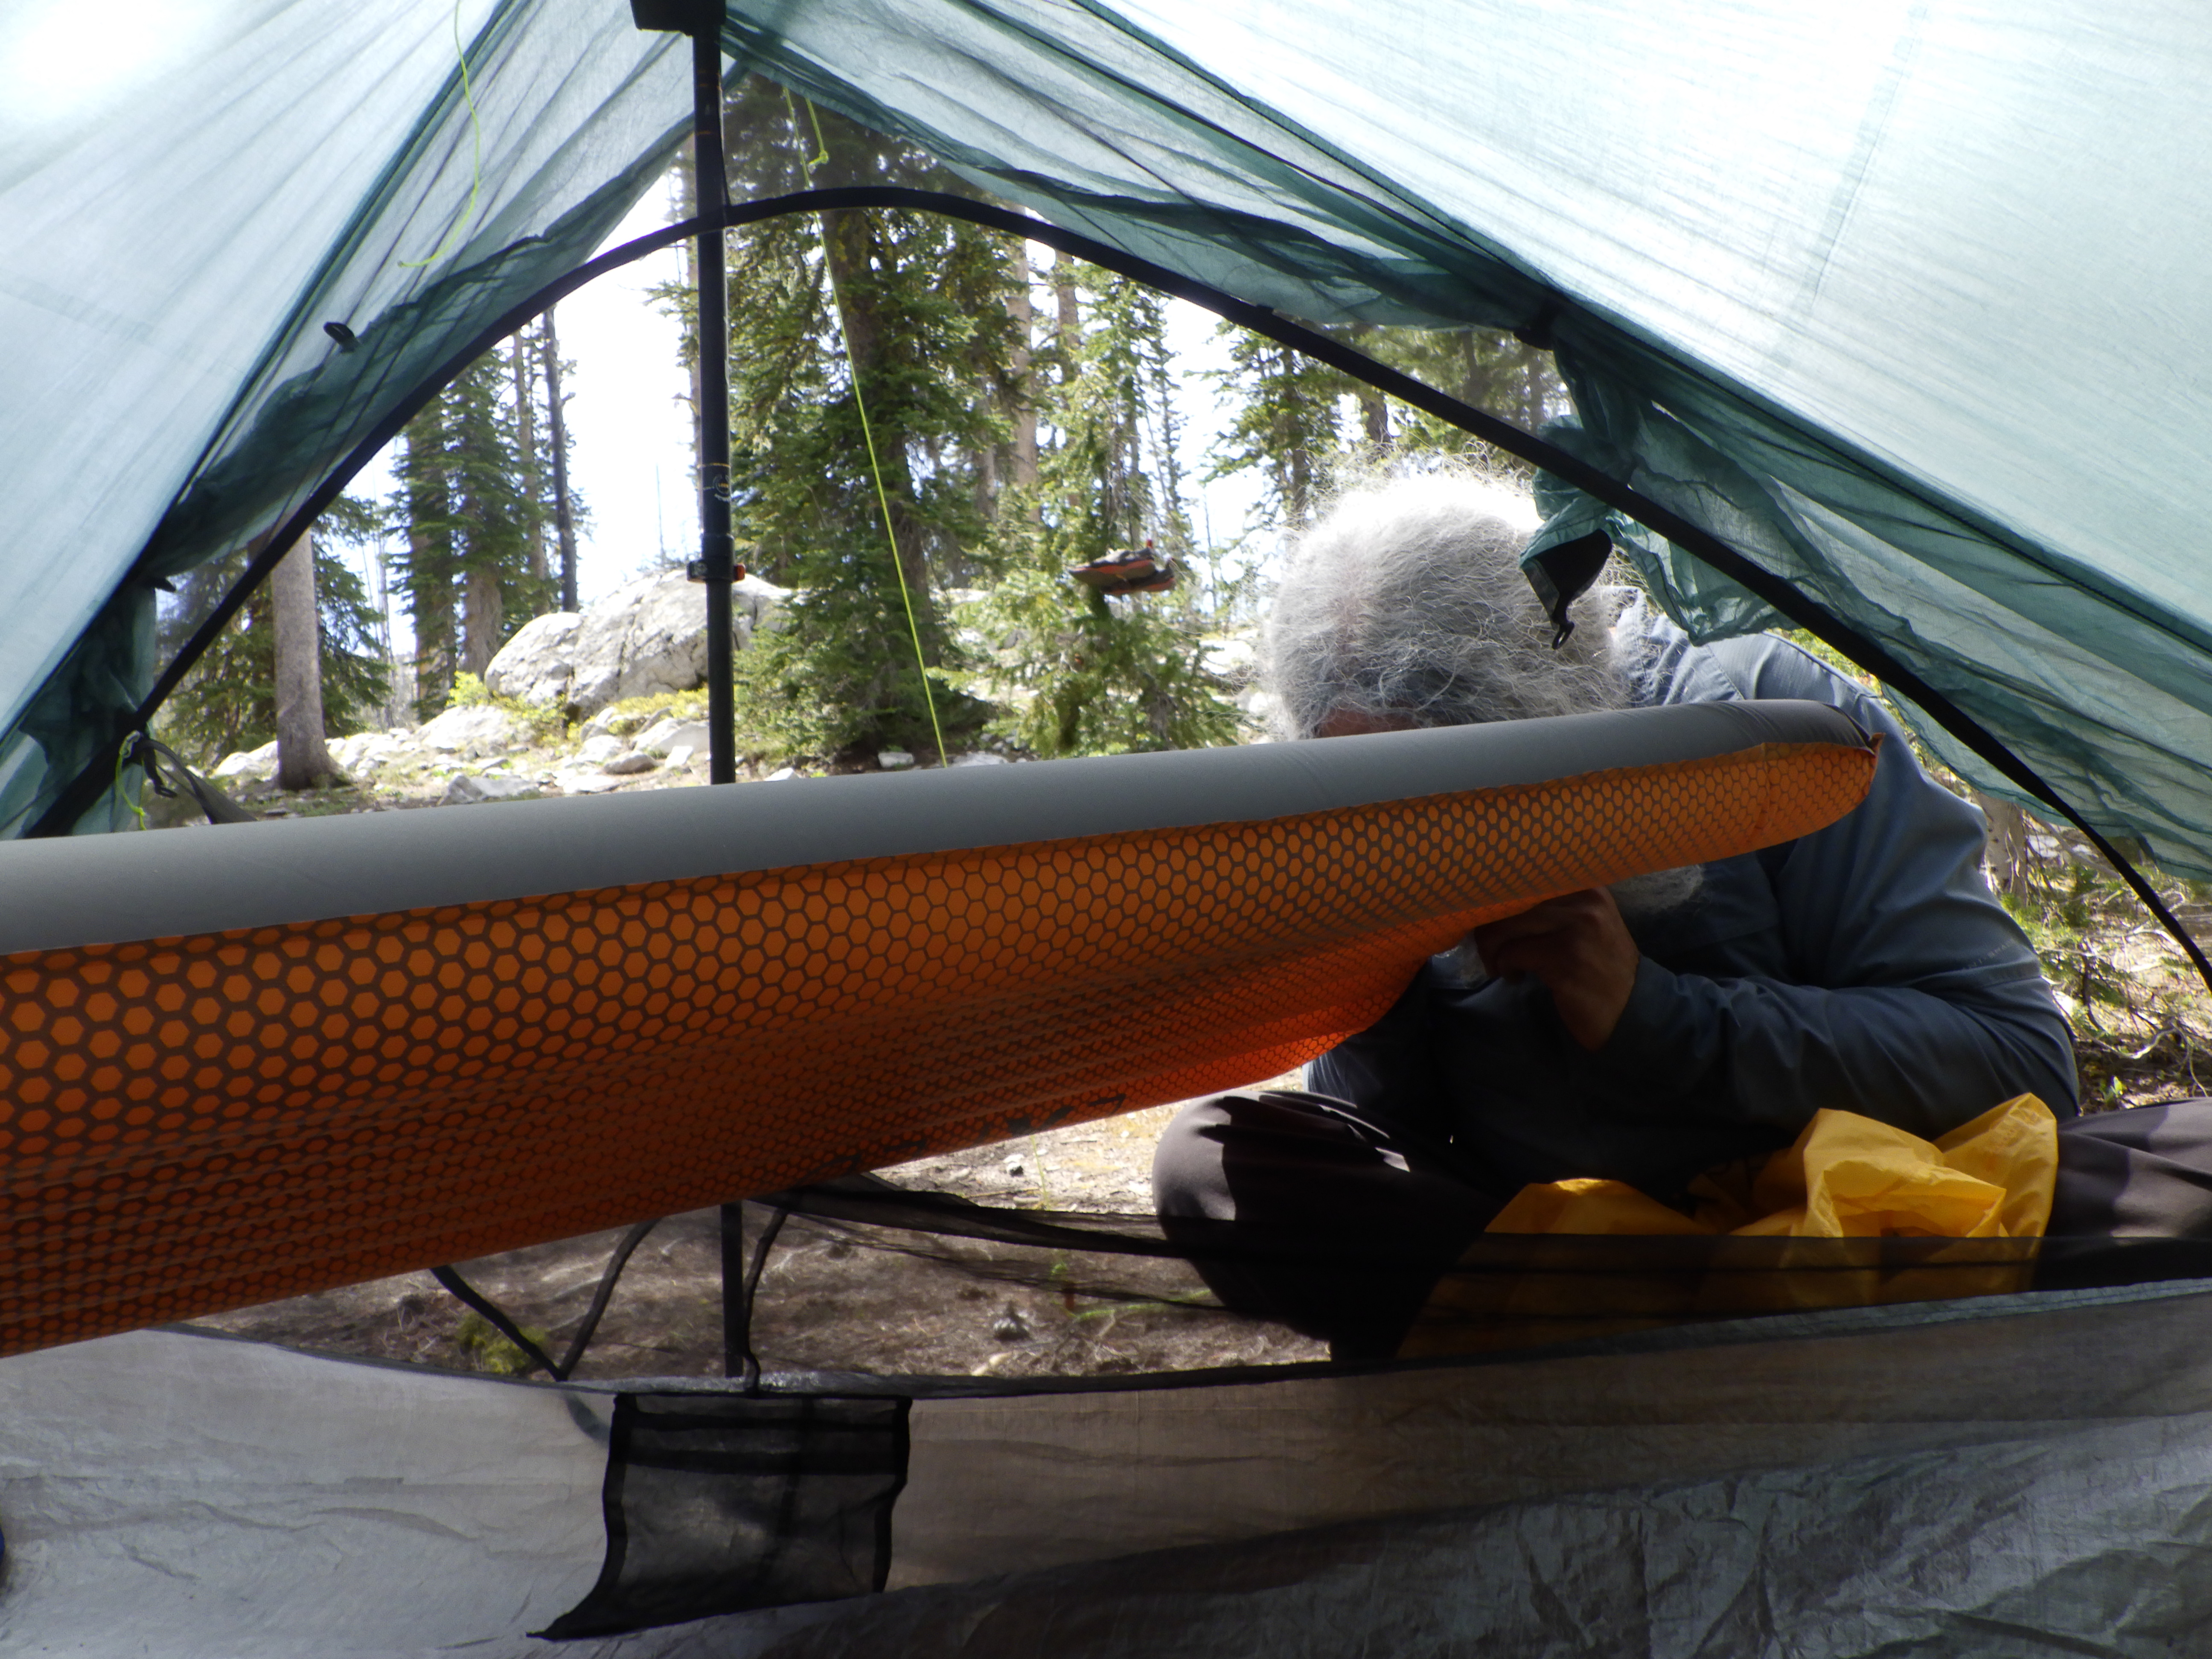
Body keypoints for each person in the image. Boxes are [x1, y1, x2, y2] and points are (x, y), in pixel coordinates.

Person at [1152, 471, 2082, 1355]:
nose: (1406, 830)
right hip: (1546, 1245)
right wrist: (1373, 988)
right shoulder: (1351, 828)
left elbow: (2023, 1065)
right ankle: (1656, 1342)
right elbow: (1382, 1138)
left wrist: (1655, 1015)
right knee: (1211, 1159)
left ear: (1554, 712)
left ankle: (1645, 1348)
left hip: (1833, 1223)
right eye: (1362, 787)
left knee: (2142, 1176)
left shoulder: (1777, 732)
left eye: (1438, 788)